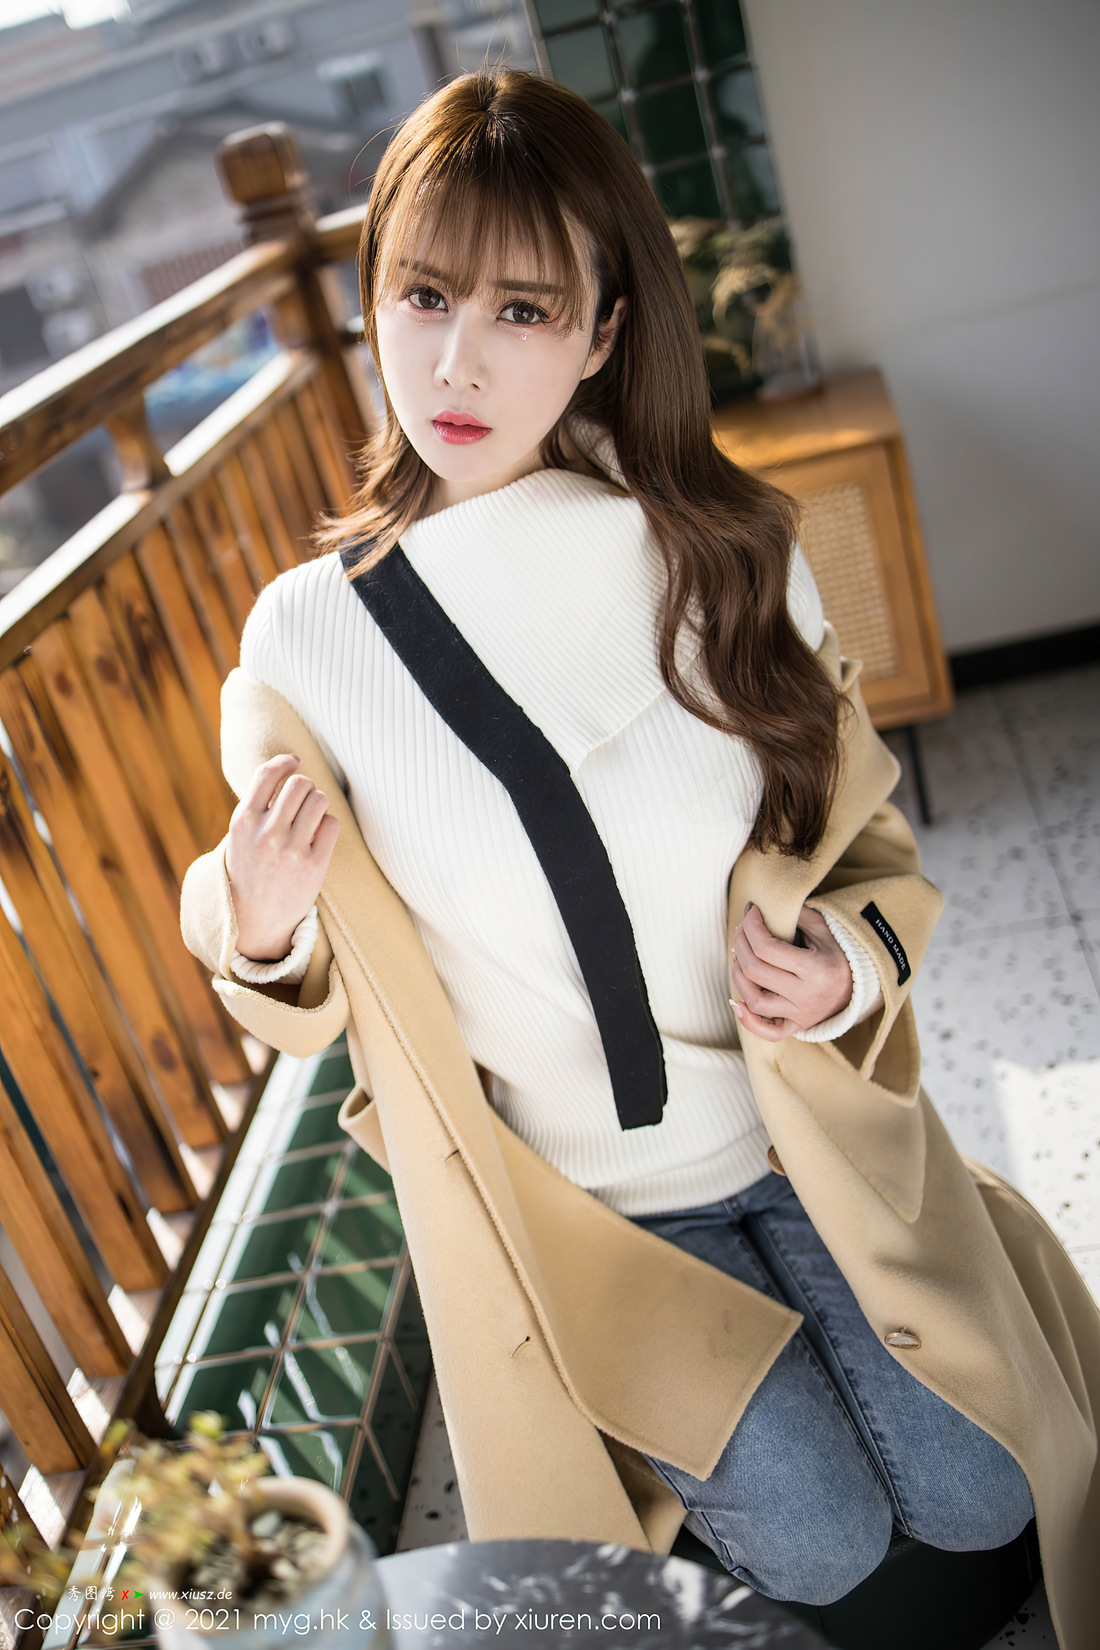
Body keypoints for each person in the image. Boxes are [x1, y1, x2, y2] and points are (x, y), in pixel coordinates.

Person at [181, 68, 1100, 1645]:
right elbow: (262, 921)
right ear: (370, 297)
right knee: (816, 1534)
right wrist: (257, 922)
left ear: (604, 331)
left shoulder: (719, 552)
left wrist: (844, 964)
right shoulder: (309, 640)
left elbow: (866, 839)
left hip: (799, 1140)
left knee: (980, 1487)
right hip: (590, 1214)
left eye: (523, 310)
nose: (457, 361)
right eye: (423, 295)